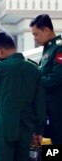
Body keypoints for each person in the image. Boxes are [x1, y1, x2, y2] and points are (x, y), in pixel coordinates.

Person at [0, 32, 46, 161]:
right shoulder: (35, 69)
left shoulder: (1, 67)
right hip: (26, 128)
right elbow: (40, 104)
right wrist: (39, 131)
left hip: (5, 128)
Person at [29, 14, 62, 144]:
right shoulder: (48, 48)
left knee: (56, 144)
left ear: (46, 30)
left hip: (57, 110)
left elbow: (57, 77)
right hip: (48, 109)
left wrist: (36, 83)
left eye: (36, 34)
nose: (35, 38)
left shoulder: (59, 48)